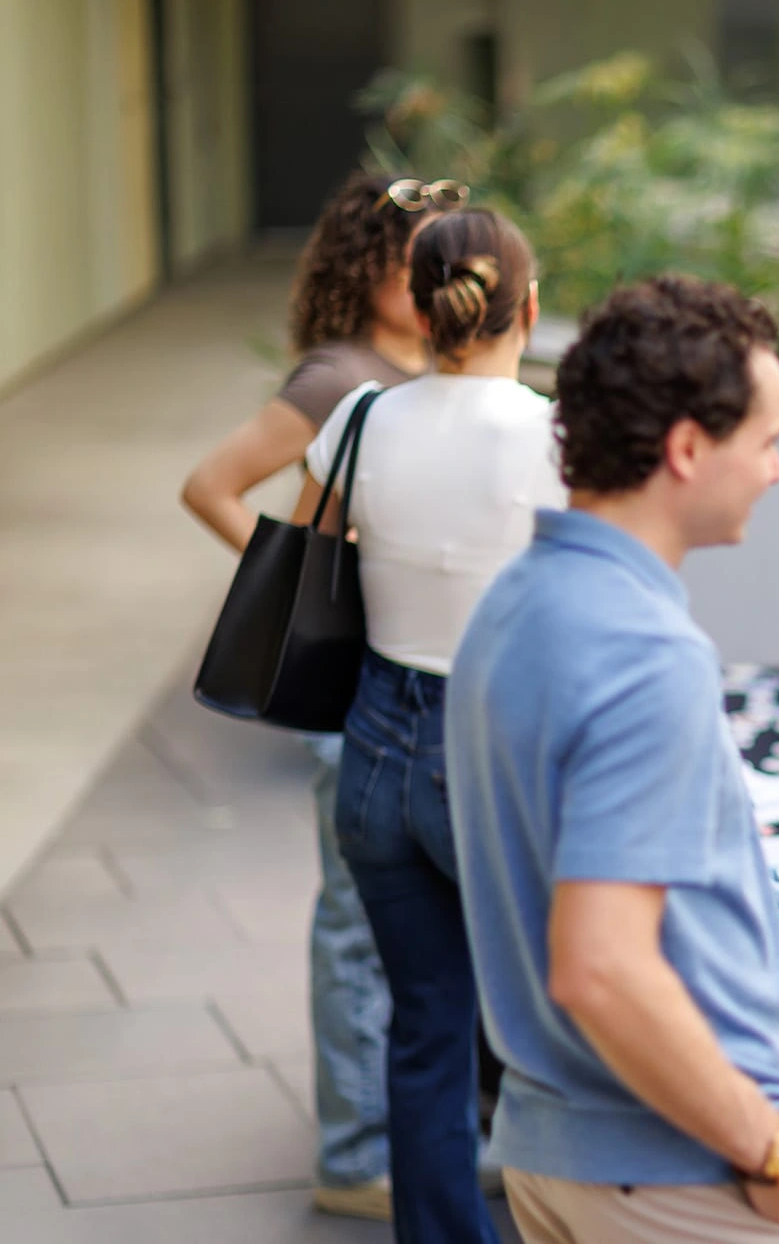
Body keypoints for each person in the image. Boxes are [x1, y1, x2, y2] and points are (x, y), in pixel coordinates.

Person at [445, 275, 779, 1243]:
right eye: (765, 440)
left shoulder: (511, 606)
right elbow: (602, 970)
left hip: (561, 1149)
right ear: (686, 449)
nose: (776, 470)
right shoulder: (642, 652)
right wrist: (770, 1147)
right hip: (681, 1174)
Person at [181, 171, 455, 1221]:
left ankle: (383, 1132)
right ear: (368, 270)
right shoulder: (340, 377)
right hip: (356, 686)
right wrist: (294, 593)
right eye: (413, 261)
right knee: (352, 923)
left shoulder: (415, 370)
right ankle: (352, 1157)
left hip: (400, 684)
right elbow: (211, 486)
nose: (433, 281)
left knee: (382, 919)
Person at [295, 206, 565, 1243]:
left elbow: (318, 546)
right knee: (544, 1035)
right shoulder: (552, 435)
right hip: (491, 754)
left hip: (372, 748)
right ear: (527, 308)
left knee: (425, 1029)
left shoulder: (359, 417)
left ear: (415, 303)